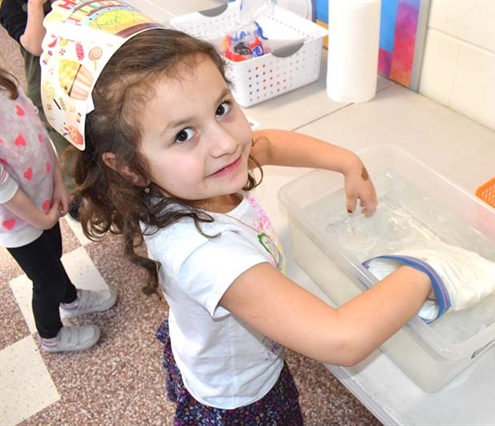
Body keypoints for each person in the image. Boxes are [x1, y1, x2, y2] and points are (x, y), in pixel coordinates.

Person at [47, 26, 434, 423]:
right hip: (240, 399)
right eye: (184, 134)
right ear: (129, 166)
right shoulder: (207, 253)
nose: (226, 143)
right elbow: (342, 339)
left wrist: (346, 162)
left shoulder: (189, 174)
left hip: (210, 356)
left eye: (221, 108)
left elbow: (266, 143)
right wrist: (425, 272)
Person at [0, 65, 117, 352]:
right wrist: (40, 219)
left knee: (53, 256)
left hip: (44, 200)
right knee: (46, 281)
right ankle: (50, 335)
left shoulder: (6, 87)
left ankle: (71, 298)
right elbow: (3, 188)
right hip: (19, 221)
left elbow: (39, 135)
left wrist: (58, 184)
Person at [0, 0, 81, 217]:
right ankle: (76, 194)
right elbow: (35, 44)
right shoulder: (10, 7)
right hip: (48, 88)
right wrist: (35, 4)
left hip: (81, 77)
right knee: (66, 146)